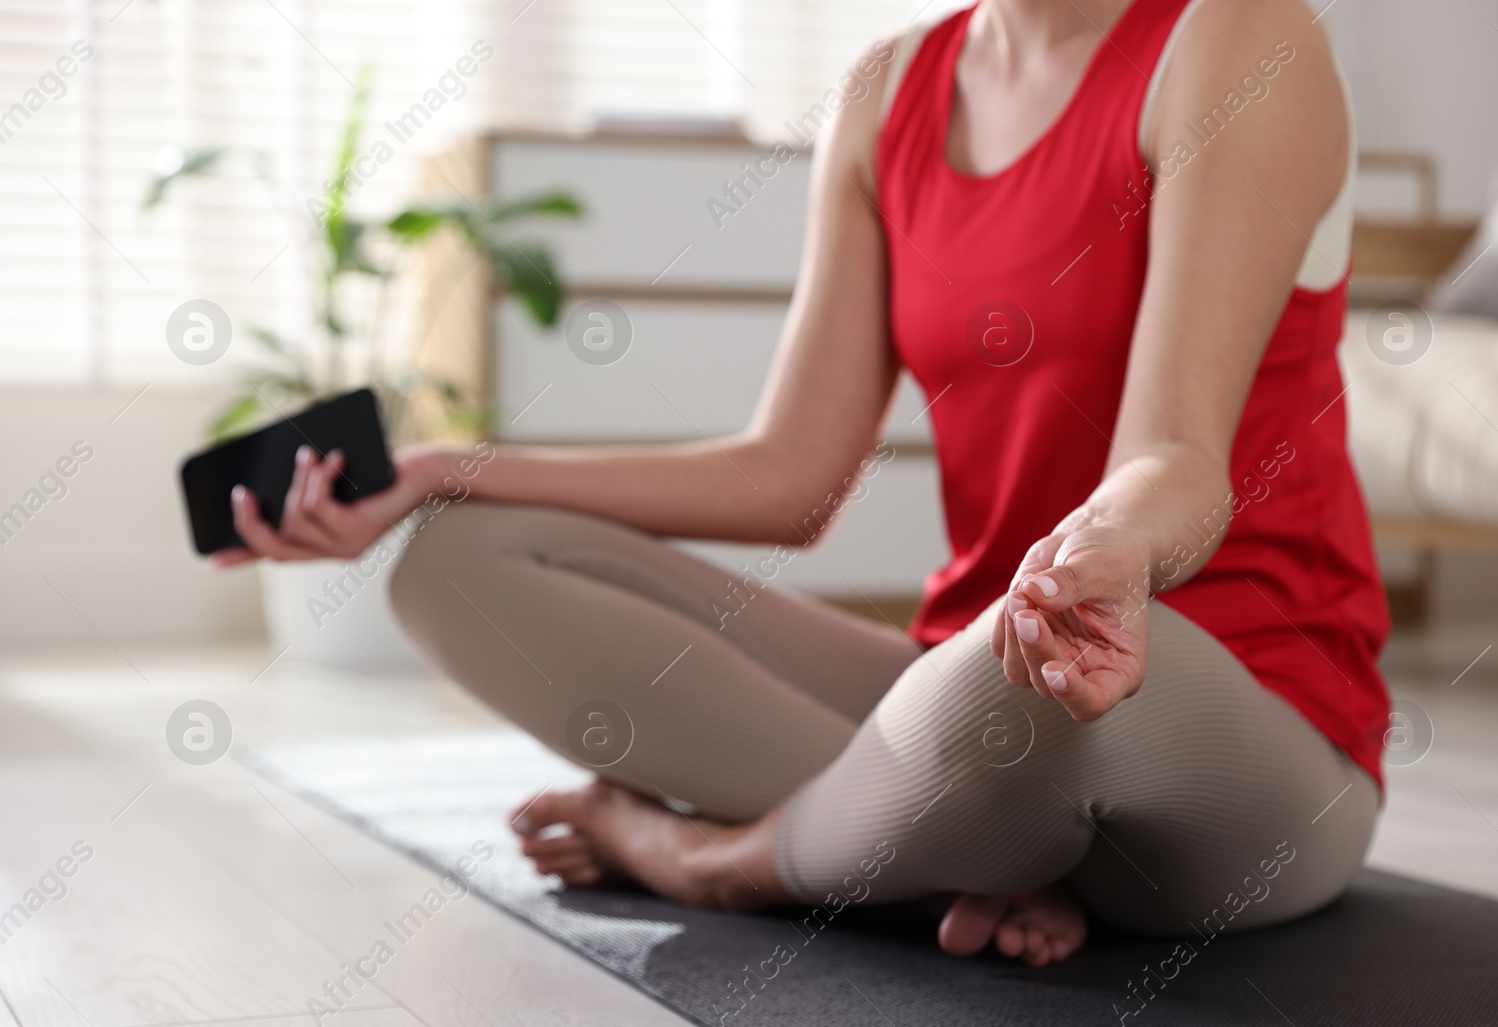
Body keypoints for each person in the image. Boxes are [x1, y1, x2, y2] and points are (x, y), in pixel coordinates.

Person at [219, 0, 1389, 968]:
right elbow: (788, 474)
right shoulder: (890, 89)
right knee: (456, 558)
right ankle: (949, 848)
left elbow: (1173, 458)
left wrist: (1103, 552)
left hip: (1236, 717)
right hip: (968, 682)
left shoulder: (1236, 41)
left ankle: (722, 859)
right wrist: (442, 469)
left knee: (1024, 676)